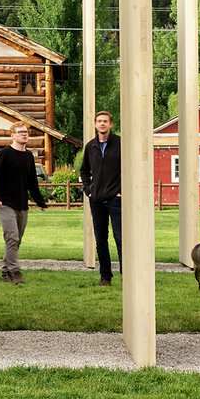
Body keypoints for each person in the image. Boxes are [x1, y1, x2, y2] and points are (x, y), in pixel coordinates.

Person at [0, 121, 49, 284]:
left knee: (16, 240)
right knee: (12, 237)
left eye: (26, 132)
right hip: (6, 203)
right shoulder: (4, 154)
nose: (24, 134)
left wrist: (40, 201)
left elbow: (32, 182)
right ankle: (15, 272)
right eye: (20, 132)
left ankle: (5, 272)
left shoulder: (29, 156)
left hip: (23, 205)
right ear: (13, 135)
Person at [82, 110, 123, 285]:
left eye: (105, 121)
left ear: (111, 124)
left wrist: (122, 191)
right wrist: (88, 190)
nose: (102, 124)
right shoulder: (90, 146)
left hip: (116, 199)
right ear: (95, 124)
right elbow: (84, 170)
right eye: (99, 121)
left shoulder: (120, 144)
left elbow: (128, 168)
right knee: (101, 239)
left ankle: (126, 275)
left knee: (120, 238)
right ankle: (105, 276)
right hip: (96, 200)